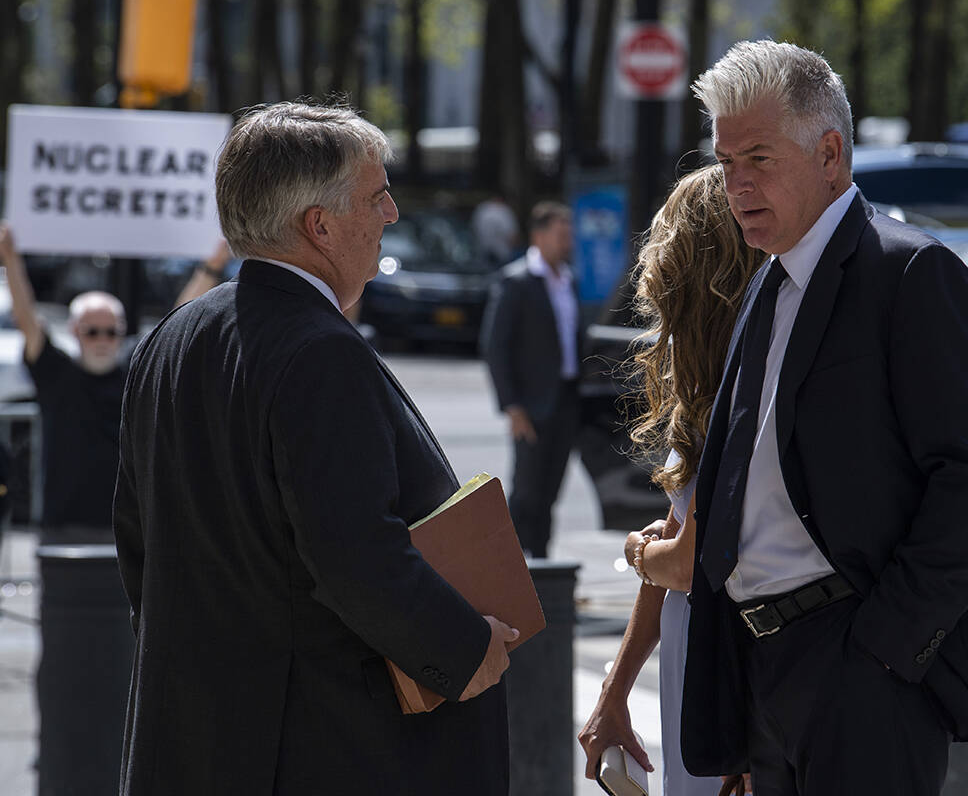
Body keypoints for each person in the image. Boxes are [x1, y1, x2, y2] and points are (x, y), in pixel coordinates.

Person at [112, 102, 516, 795]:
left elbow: (137, 544)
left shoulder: (171, 338)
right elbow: (354, 554)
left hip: (196, 739)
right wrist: (463, 647)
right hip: (317, 747)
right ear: (319, 225)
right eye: (377, 195)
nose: (391, 214)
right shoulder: (319, 350)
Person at [680, 41, 968, 795]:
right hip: (761, 671)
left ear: (831, 154)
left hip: (859, 665)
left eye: (759, 159)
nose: (735, 185)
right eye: (725, 162)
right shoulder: (766, 286)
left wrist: (885, 649)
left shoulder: (909, 272)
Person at [578, 165, 759, 795]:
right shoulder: (710, 381)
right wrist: (615, 688)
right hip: (707, 681)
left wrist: (637, 552)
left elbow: (682, 566)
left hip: (734, 687)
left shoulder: (748, 380)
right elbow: (680, 557)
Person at [0, 222, 127, 543]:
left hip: (124, 527)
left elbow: (178, 312)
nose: (102, 340)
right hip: (63, 526)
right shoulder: (57, 374)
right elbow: (27, 319)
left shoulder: (135, 374)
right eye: (92, 331)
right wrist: (11, 259)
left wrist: (211, 267)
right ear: (74, 332)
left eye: (111, 331)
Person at [480, 201, 580, 559]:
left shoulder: (569, 279)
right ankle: (516, 567)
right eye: (560, 234)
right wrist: (513, 407)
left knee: (551, 491)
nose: (567, 242)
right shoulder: (517, 281)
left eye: (569, 234)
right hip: (532, 404)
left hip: (567, 400)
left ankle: (543, 564)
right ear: (538, 236)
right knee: (526, 493)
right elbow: (496, 348)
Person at [471, 194, 522, 268]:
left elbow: (473, 230)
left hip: (482, 255)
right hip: (501, 256)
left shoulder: (481, 209)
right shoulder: (503, 211)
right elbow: (512, 237)